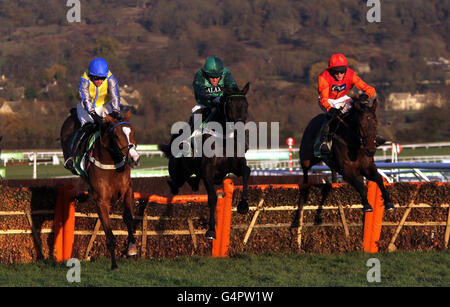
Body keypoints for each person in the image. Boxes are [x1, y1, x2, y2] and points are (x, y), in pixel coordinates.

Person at [316, 53, 384, 156]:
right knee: (332, 116)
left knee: (361, 109)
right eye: (336, 72)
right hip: (327, 100)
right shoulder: (323, 77)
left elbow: (370, 89)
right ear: (331, 71)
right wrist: (330, 109)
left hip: (342, 98)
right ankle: (325, 141)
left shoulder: (351, 75)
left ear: (345, 70)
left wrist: (366, 95)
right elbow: (324, 99)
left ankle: (371, 137)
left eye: (342, 72)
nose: (339, 75)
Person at [64, 57, 121, 172]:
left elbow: (115, 96)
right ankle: (71, 156)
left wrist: (115, 111)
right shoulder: (84, 80)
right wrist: (93, 115)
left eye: (102, 78)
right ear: (91, 76)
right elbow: (86, 100)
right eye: (96, 78)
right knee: (88, 126)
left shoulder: (110, 78)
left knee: (114, 126)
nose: (100, 81)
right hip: (85, 106)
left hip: (103, 105)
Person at [190, 56, 239, 130]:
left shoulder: (226, 73)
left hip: (223, 104)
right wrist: (212, 98)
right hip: (205, 105)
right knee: (196, 115)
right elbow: (200, 90)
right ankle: (191, 137)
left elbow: (233, 87)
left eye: (217, 77)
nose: (215, 80)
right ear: (206, 74)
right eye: (212, 77)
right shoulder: (200, 75)